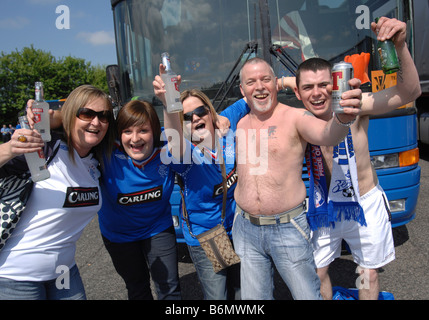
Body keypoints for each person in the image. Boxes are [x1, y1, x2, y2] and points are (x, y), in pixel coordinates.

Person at [285, 17, 421, 300]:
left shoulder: (355, 105)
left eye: (324, 84)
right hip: (325, 204)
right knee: (316, 271)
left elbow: (410, 92)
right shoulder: (297, 119)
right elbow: (256, 91)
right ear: (297, 92)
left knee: (366, 272)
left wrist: (401, 44)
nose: (317, 92)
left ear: (335, 84)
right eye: (308, 87)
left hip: (364, 201)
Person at [232, 57, 362, 300]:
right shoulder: (239, 124)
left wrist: (343, 117)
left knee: (307, 296)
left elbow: (327, 135)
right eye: (251, 82)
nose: (259, 86)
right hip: (246, 228)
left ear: (276, 84)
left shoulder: (296, 117)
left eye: (265, 79)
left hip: (288, 228)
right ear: (243, 90)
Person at [0, 85, 115, 300]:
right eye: (87, 113)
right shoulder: (45, 148)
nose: (96, 122)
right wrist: (9, 149)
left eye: (104, 116)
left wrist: (56, 116)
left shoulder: (98, 158)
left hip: (64, 272)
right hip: (16, 277)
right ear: (71, 116)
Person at [154, 68, 249, 300]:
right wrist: (168, 105)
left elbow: (251, 96)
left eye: (200, 111)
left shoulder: (224, 129)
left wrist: (287, 80)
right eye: (187, 116)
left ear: (210, 112)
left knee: (240, 292)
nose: (195, 117)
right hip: (208, 235)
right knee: (218, 296)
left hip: (236, 229)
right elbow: (173, 140)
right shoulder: (186, 154)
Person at [98, 100, 181, 300]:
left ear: (154, 131)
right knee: (137, 288)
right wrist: (50, 116)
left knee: (169, 287)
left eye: (143, 130)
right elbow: (69, 130)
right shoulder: (105, 151)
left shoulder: (167, 149)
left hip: (157, 228)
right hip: (119, 236)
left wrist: (220, 119)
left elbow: (196, 125)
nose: (135, 139)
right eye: (127, 131)